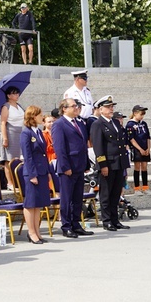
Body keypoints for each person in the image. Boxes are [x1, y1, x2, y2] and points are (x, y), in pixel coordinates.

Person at [51, 98, 92, 238]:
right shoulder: (59, 124)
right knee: (67, 198)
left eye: (77, 106)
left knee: (77, 198)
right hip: (68, 167)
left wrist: (86, 163)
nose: (76, 108)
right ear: (64, 108)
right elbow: (59, 148)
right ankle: (66, 225)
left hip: (79, 165)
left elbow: (83, 145)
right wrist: (65, 166)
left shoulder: (79, 122)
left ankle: (76, 224)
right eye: (73, 106)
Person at [90, 96, 131, 232]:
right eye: (108, 107)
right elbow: (98, 146)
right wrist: (103, 165)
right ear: (100, 109)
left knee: (115, 193)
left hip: (119, 162)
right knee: (106, 193)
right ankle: (106, 220)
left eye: (112, 106)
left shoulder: (115, 122)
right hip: (108, 163)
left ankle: (115, 219)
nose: (111, 109)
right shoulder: (98, 124)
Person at [20, 105, 49, 243]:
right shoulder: (26, 133)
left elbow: (44, 154)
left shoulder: (38, 132)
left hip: (42, 171)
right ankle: (31, 232)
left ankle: (37, 231)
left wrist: (47, 171)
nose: (41, 117)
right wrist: (32, 174)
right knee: (30, 203)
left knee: (38, 204)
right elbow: (28, 155)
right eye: (39, 115)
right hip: (32, 172)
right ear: (32, 117)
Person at [0, 86, 24, 190]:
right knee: (9, 159)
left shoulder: (19, 106)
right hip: (10, 132)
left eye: (17, 93)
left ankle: (18, 181)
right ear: (8, 95)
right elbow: (3, 123)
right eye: (14, 93)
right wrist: (5, 138)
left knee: (19, 158)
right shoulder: (6, 106)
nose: (16, 95)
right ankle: (10, 183)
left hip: (20, 132)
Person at [126, 104, 151, 195]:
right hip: (136, 149)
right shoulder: (130, 124)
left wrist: (148, 148)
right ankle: (137, 188)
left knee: (144, 167)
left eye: (143, 114)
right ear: (135, 113)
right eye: (141, 113)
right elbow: (131, 139)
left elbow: (148, 137)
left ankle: (145, 187)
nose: (142, 116)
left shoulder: (144, 124)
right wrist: (140, 149)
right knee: (137, 167)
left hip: (145, 147)